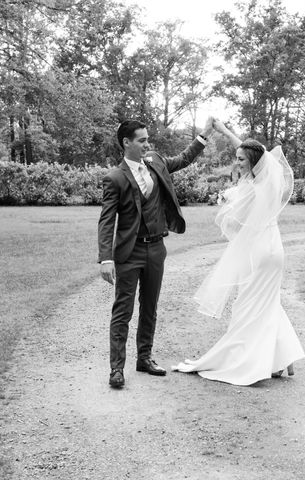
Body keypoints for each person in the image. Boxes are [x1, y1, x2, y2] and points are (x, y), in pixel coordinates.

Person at [172, 119, 305, 385]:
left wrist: (227, 202)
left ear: (254, 161)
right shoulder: (269, 180)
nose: (238, 162)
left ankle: (252, 361)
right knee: (267, 303)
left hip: (259, 253)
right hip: (273, 250)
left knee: (247, 307)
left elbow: (234, 224)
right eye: (237, 158)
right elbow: (252, 151)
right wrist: (224, 132)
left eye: (241, 159)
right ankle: (284, 359)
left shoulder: (255, 188)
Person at [98, 117, 214, 389]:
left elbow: (184, 159)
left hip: (156, 248)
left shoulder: (155, 161)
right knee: (122, 312)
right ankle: (117, 369)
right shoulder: (114, 178)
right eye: (142, 140)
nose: (147, 144)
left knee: (150, 307)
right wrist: (106, 258)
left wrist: (205, 134)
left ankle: (145, 358)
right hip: (129, 251)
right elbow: (106, 220)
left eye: (147, 139)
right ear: (126, 143)